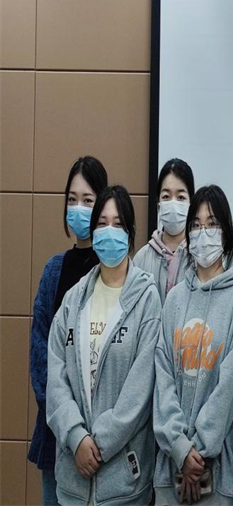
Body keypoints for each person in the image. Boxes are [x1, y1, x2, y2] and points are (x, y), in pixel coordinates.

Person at [46, 185, 162, 506]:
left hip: (124, 483)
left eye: (118, 224)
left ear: (131, 233)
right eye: (102, 223)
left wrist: (98, 444)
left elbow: (141, 389)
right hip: (73, 479)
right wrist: (76, 437)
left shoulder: (147, 299)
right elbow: (56, 378)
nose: (109, 231)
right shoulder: (74, 300)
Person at [153, 185, 233, 505]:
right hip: (169, 472)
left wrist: (198, 451)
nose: (203, 232)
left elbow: (229, 388)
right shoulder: (174, 299)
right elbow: (163, 379)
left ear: (226, 232)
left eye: (211, 224)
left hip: (217, 475)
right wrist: (180, 449)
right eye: (195, 225)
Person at [29, 156, 108, 506]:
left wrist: (95, 435)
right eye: (72, 199)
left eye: (88, 200)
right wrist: (70, 429)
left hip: (106, 444)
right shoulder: (54, 271)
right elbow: (40, 357)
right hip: (57, 435)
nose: (78, 208)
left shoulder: (117, 272)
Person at [134, 158, 195, 302]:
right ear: (158, 204)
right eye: (166, 196)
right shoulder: (141, 259)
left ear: (191, 203)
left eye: (181, 197)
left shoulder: (199, 256)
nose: (173, 203)